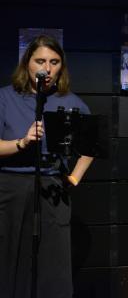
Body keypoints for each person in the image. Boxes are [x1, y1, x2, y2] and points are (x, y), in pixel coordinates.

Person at [0, 35, 94, 298]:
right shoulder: (5, 98)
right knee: (10, 258)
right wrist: (22, 142)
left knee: (53, 262)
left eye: (54, 62)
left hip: (52, 188)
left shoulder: (71, 101)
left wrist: (74, 177)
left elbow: (91, 146)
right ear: (27, 63)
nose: (47, 68)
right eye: (40, 60)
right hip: (10, 188)